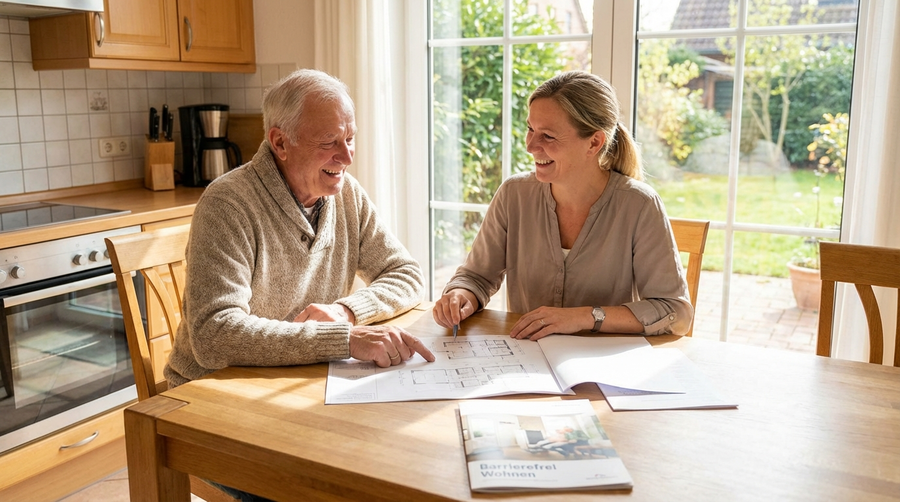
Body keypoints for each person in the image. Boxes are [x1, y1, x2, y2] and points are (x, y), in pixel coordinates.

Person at [433, 70, 692, 340]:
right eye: (530, 129)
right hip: (526, 356)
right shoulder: (513, 194)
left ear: (594, 142)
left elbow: (675, 311)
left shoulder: (639, 205)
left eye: (547, 136)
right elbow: (476, 277)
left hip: (601, 362)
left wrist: (584, 317)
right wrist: (460, 295)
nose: (531, 146)